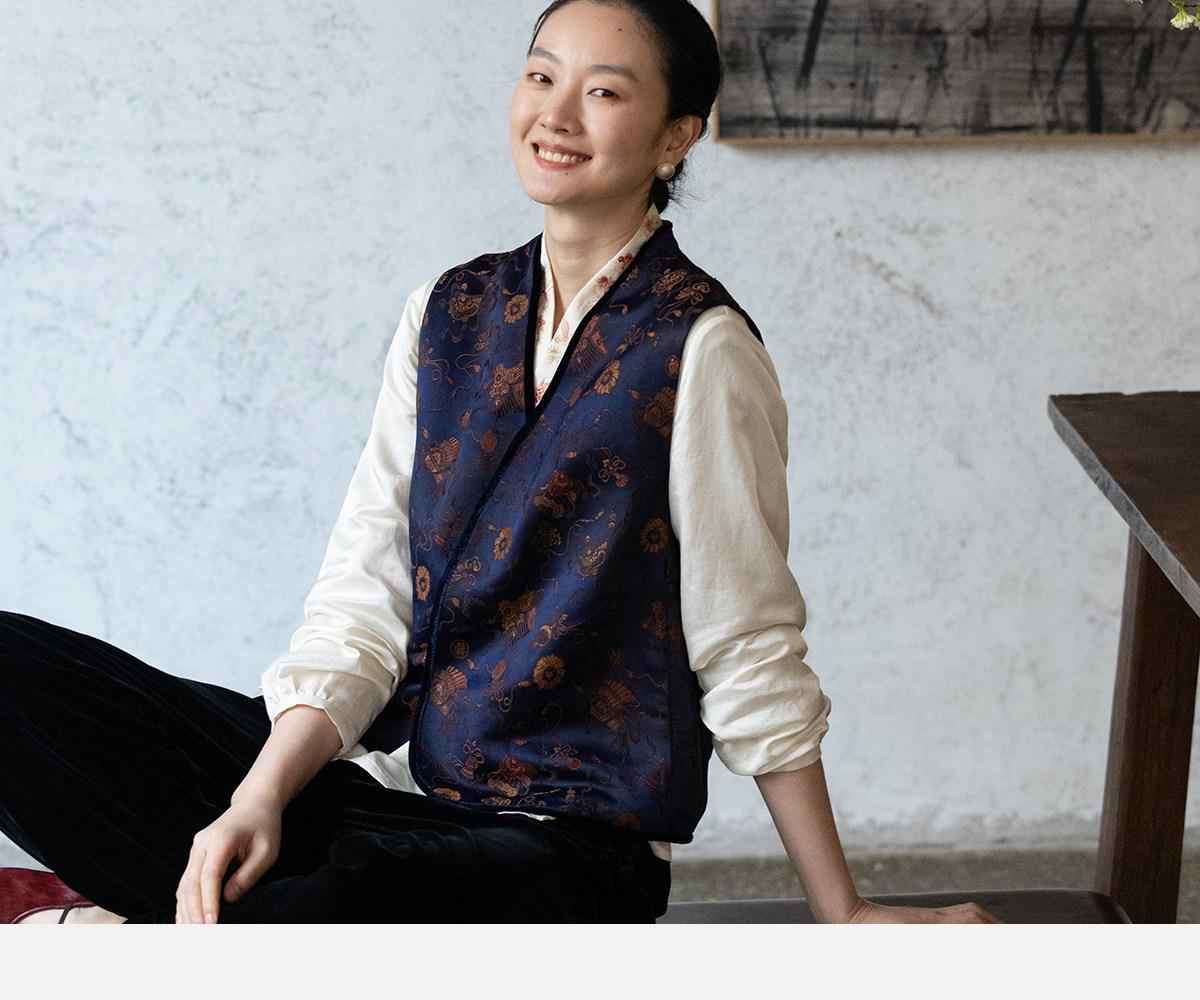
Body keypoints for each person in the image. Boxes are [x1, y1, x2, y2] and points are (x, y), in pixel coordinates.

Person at [0, 0, 996, 924]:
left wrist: (843, 911)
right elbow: (365, 599)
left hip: (560, 845)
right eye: (541, 76)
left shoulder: (701, 347)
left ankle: (116, 929)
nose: (556, 114)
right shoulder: (447, 311)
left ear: (675, 137)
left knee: (322, 919)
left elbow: (745, 643)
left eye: (604, 91)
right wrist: (257, 795)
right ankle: (188, 913)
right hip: (387, 787)